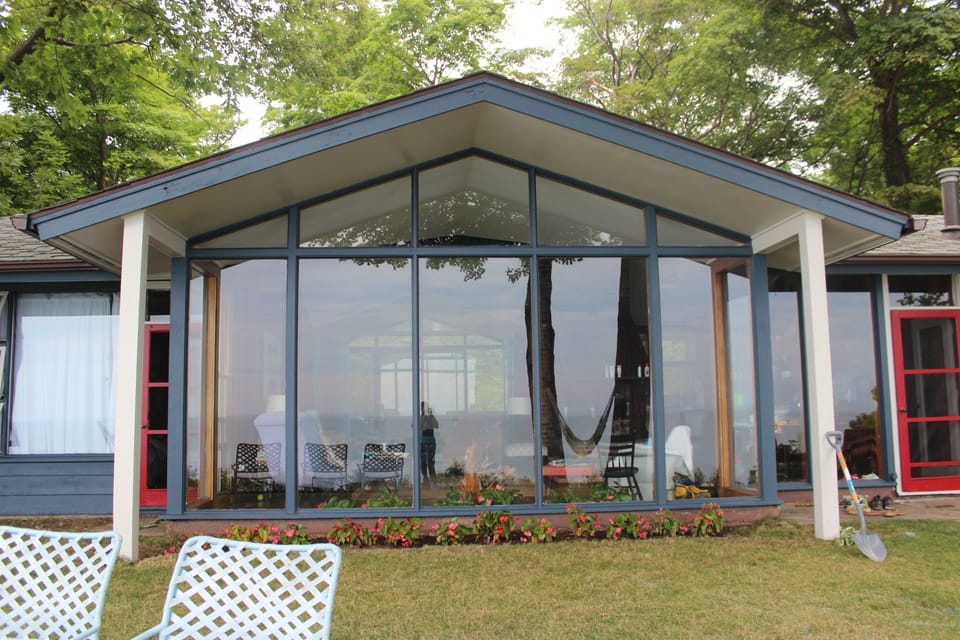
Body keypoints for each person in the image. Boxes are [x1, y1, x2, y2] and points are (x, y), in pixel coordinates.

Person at [420, 402, 439, 486]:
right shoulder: (421, 418)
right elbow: (418, 426)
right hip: (423, 442)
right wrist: (422, 415)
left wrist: (431, 415)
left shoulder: (431, 418)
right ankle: (425, 479)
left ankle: (433, 481)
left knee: (430, 462)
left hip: (430, 442)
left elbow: (436, 425)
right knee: (423, 462)